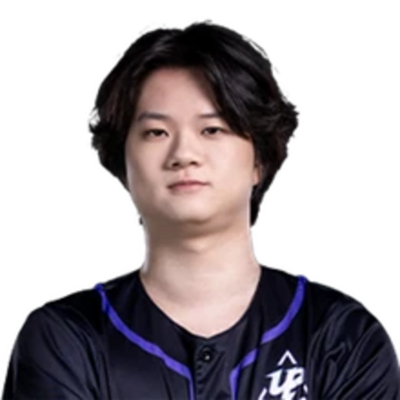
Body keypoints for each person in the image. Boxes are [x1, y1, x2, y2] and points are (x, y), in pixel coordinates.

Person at [1, 17, 399, 400]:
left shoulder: (341, 336)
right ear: (124, 161)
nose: (184, 153)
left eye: (212, 129)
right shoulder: (66, 337)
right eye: (156, 132)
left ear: (259, 158)